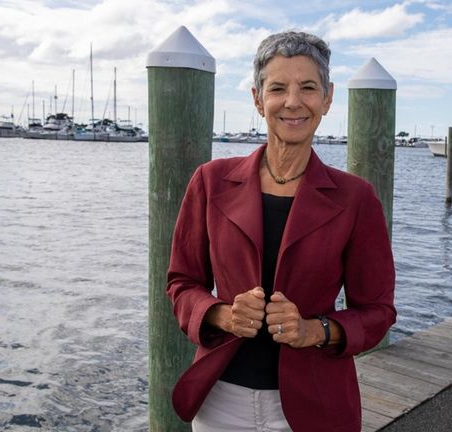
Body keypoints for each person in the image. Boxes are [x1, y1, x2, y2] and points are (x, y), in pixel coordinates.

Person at [166, 31, 396, 432]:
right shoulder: (210, 181)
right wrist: (221, 314)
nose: (293, 101)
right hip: (220, 402)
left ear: (327, 98)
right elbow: (181, 283)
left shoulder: (356, 197)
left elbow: (378, 310)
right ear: (258, 99)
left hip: (315, 404)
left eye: (308, 87)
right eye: (277, 88)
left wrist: (316, 331)